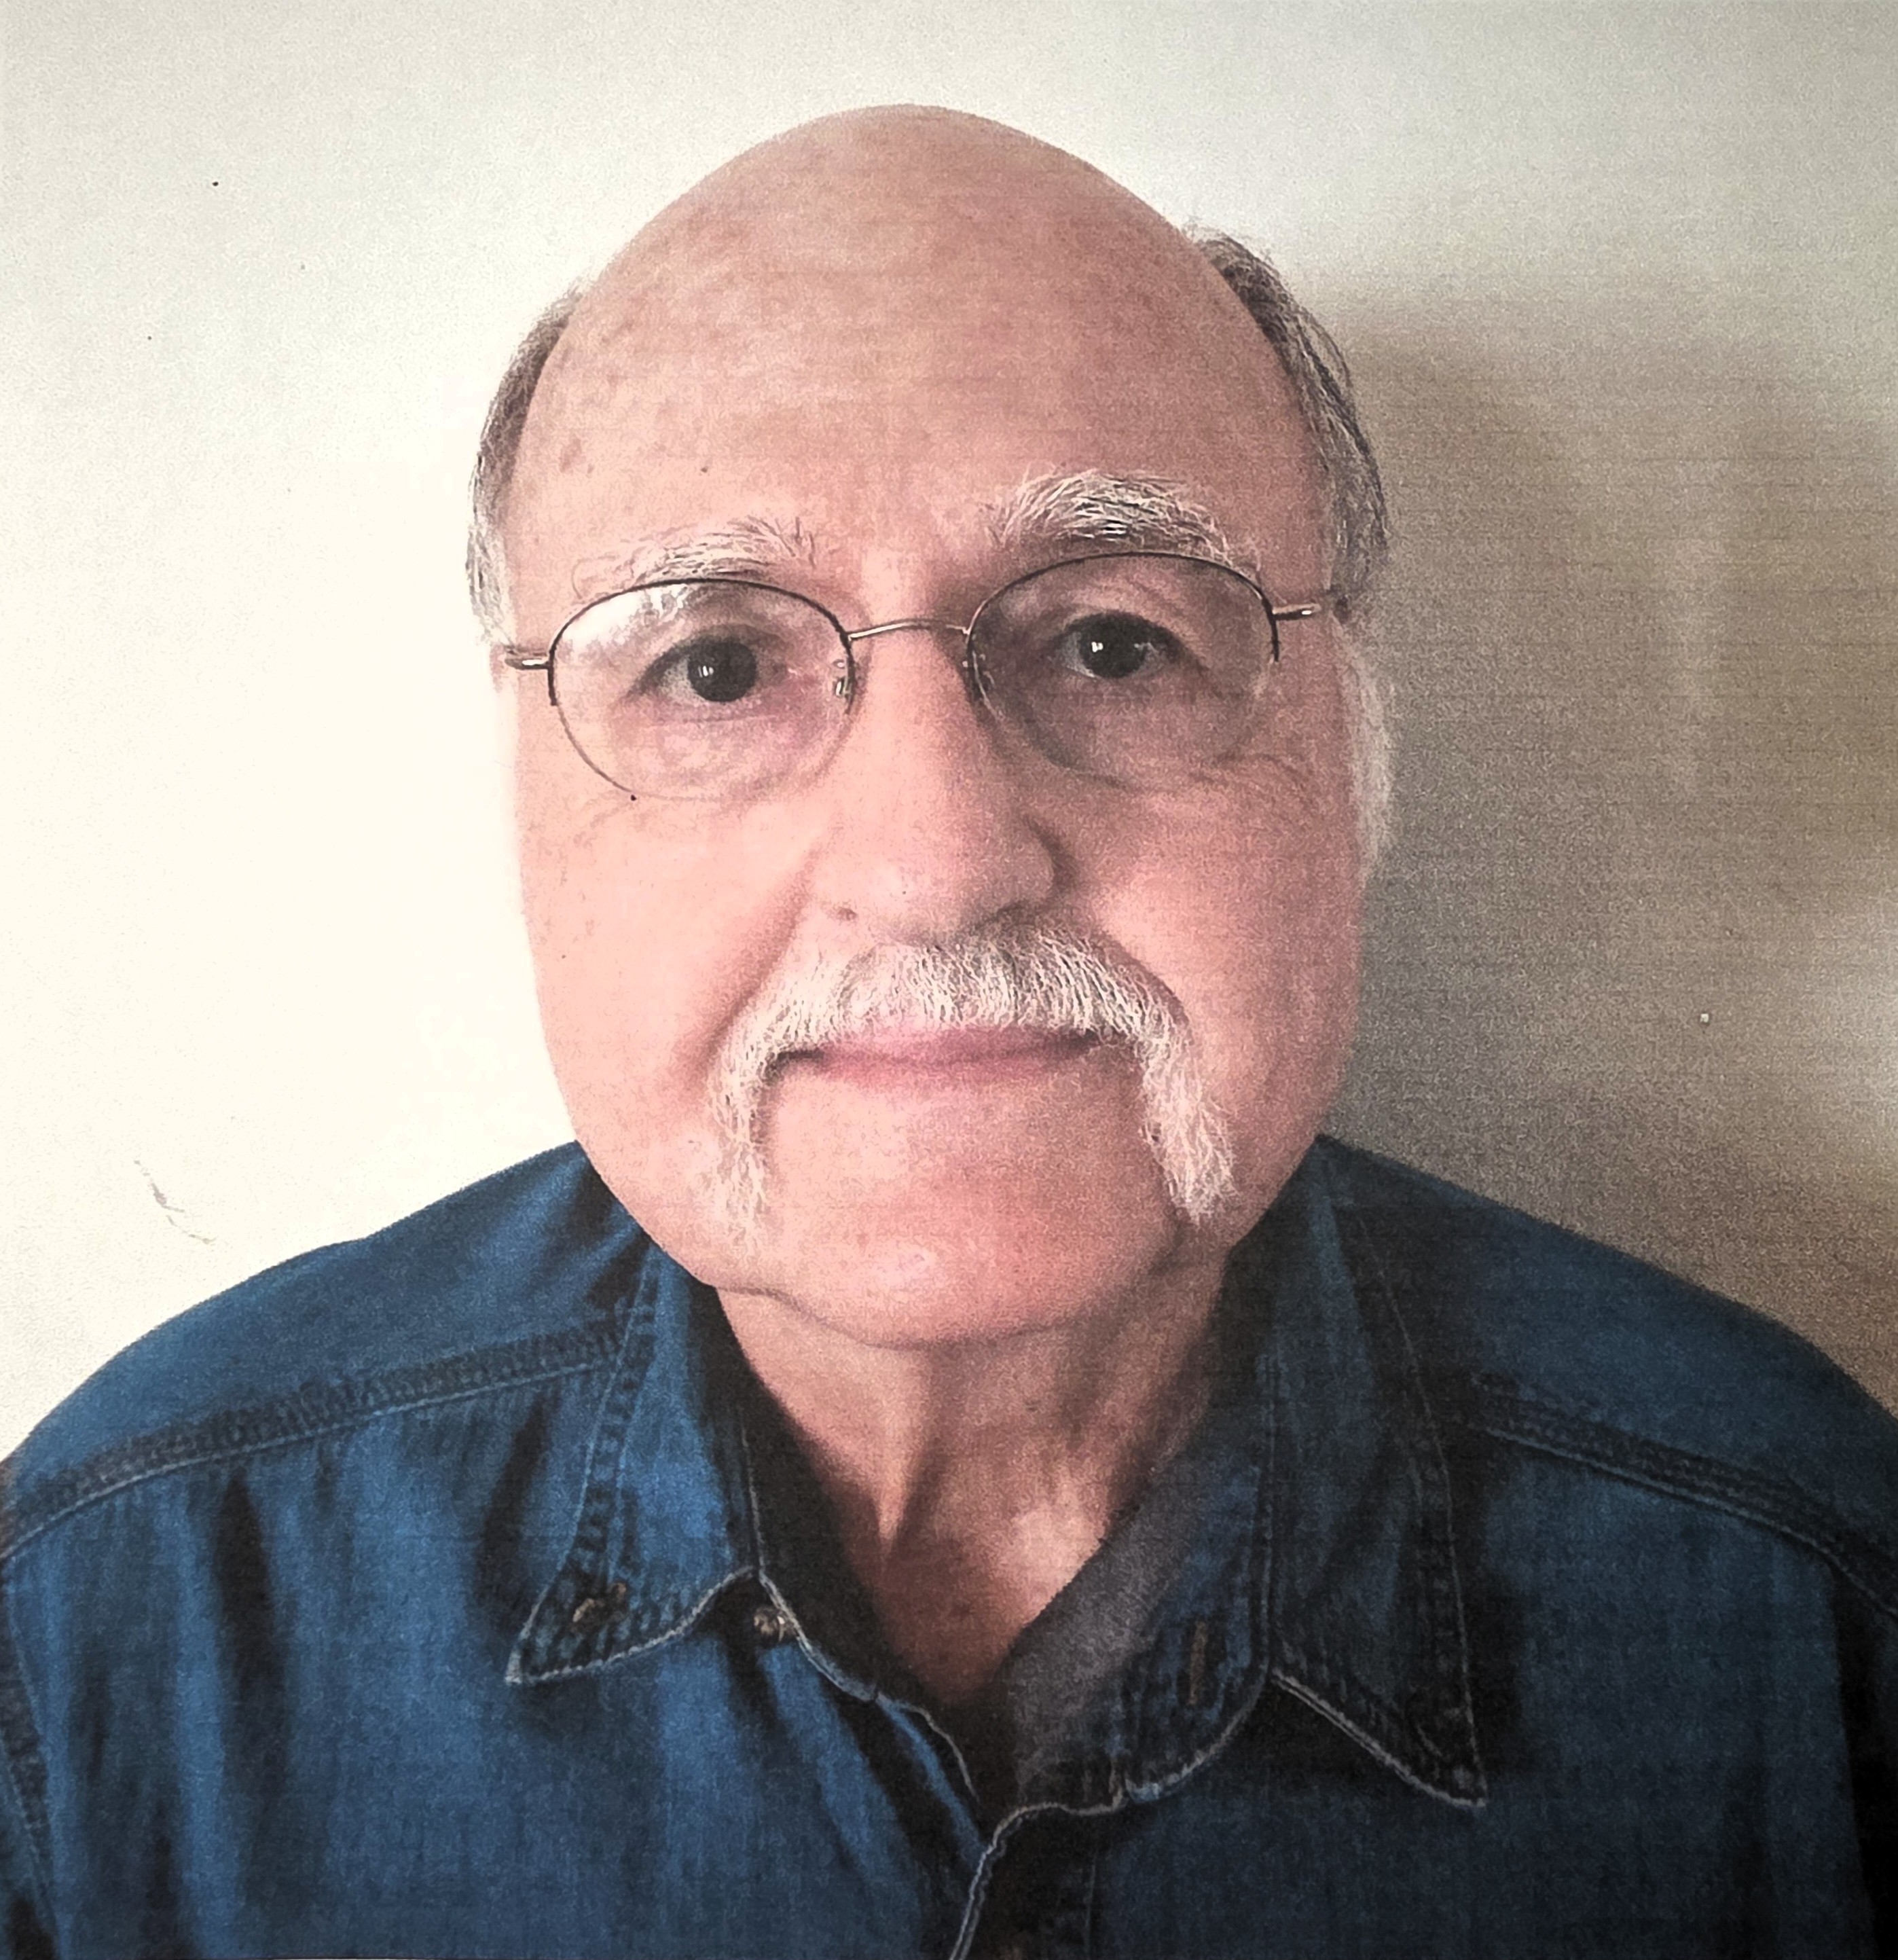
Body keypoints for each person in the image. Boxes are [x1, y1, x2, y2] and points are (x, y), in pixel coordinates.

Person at [2, 105, 1893, 1959]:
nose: (934, 866)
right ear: (523, 807)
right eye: (716, 666)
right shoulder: (110, 1625)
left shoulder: (1805, 1609)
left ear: (1354, 763)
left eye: (1113, 642)